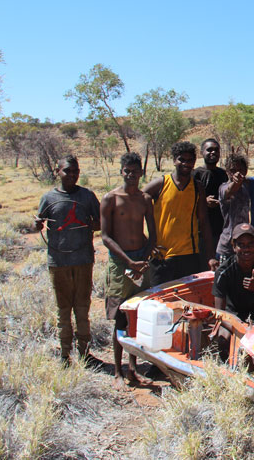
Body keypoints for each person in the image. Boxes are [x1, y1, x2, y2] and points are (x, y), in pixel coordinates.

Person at [35, 155, 101, 366]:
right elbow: (40, 222)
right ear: (58, 172)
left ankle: (85, 353)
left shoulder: (87, 196)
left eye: (75, 171)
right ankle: (65, 355)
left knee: (82, 307)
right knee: (63, 309)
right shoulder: (48, 198)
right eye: (67, 171)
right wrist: (36, 224)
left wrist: (93, 223)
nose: (72, 175)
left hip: (83, 260)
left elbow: (100, 222)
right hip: (58, 262)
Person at [100, 152, 156, 390]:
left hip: (140, 261)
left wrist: (143, 259)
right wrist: (128, 262)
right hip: (120, 262)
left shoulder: (144, 200)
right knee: (120, 317)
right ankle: (117, 372)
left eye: (135, 171)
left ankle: (133, 369)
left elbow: (153, 234)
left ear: (141, 172)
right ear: (121, 171)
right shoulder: (110, 198)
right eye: (127, 171)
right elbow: (105, 237)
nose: (131, 175)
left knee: (136, 315)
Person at [143, 141, 216, 285]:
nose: (186, 163)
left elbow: (204, 222)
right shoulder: (161, 184)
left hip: (189, 255)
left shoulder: (197, 187)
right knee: (160, 303)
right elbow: (135, 207)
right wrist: (148, 242)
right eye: (182, 159)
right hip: (162, 255)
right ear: (174, 160)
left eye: (190, 160)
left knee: (186, 302)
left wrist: (210, 256)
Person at [213, 223, 254, 325]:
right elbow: (219, 314)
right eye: (241, 245)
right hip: (233, 316)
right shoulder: (223, 272)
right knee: (223, 336)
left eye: (250, 244)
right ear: (234, 246)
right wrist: (241, 327)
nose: (246, 249)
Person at [193, 138, 227, 265]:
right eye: (209, 150)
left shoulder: (223, 174)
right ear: (202, 152)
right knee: (203, 265)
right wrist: (203, 202)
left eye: (216, 150)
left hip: (220, 229)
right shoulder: (195, 174)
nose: (213, 153)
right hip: (200, 232)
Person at [216, 153, 251, 262]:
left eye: (240, 169)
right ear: (227, 172)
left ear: (246, 170)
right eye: (232, 170)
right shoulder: (223, 187)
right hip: (227, 246)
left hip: (244, 246)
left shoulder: (247, 188)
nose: (237, 173)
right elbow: (229, 190)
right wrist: (236, 182)